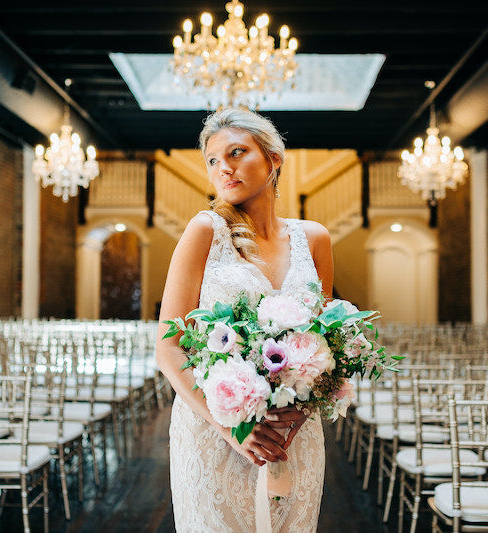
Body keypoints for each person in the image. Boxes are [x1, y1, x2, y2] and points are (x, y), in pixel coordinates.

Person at [156, 107, 334, 532]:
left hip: (294, 432)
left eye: (236, 152)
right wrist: (232, 429)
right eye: (213, 160)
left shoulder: (315, 239)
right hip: (215, 433)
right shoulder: (205, 230)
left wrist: (299, 414)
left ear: (273, 159)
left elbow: (325, 344)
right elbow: (168, 346)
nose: (224, 168)